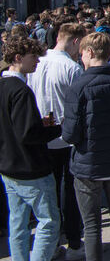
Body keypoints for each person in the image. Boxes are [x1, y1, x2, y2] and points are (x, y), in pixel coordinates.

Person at [62, 32, 110, 261]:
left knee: (92, 225)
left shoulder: (79, 87)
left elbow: (70, 133)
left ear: (88, 53)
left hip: (89, 164)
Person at [27, 22, 87, 259]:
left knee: (47, 194)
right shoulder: (71, 68)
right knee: (70, 193)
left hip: (42, 135)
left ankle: (51, 241)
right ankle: (73, 242)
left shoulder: (38, 62)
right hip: (67, 136)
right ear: (74, 41)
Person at [0, 37, 61, 261]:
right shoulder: (21, 91)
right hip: (30, 167)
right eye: (33, 57)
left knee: (17, 222)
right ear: (18, 58)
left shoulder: (4, 86)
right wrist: (57, 129)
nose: (37, 61)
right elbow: (28, 134)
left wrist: (38, 124)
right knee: (49, 221)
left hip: (8, 166)